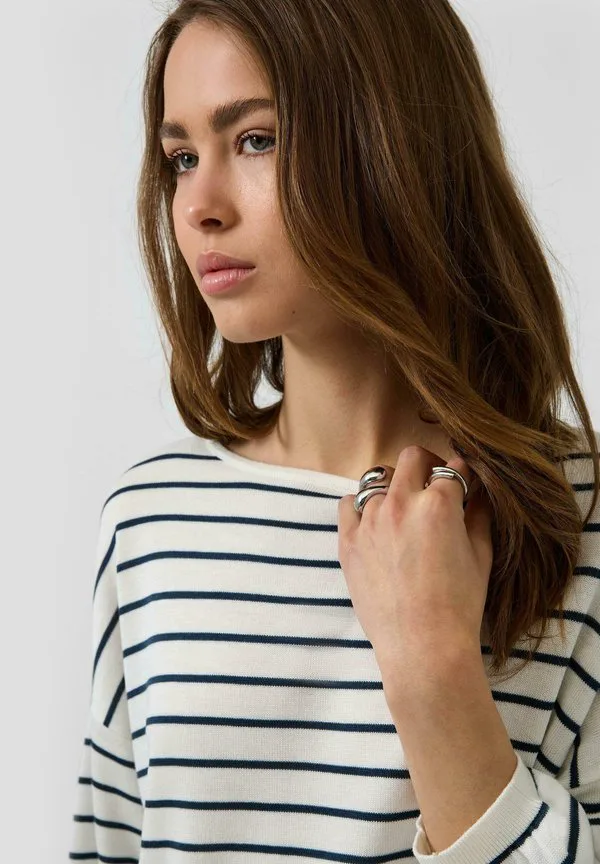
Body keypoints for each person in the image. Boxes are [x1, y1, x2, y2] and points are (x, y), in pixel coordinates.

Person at [68, 1, 600, 861]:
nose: (198, 205)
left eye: (256, 140)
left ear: (391, 143)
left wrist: (432, 669)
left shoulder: (575, 516)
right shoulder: (149, 522)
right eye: (181, 158)